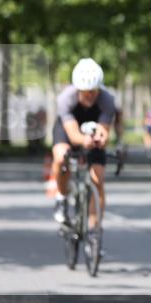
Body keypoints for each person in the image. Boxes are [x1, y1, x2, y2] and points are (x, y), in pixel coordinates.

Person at [51, 58, 116, 226]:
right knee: (61, 157)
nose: (90, 95)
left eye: (93, 91)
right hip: (69, 128)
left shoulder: (107, 99)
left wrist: (102, 138)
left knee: (98, 179)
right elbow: (73, 135)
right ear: (78, 88)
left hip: (92, 130)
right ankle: (62, 197)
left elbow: (104, 129)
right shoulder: (66, 99)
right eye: (85, 92)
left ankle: (94, 230)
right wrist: (83, 140)